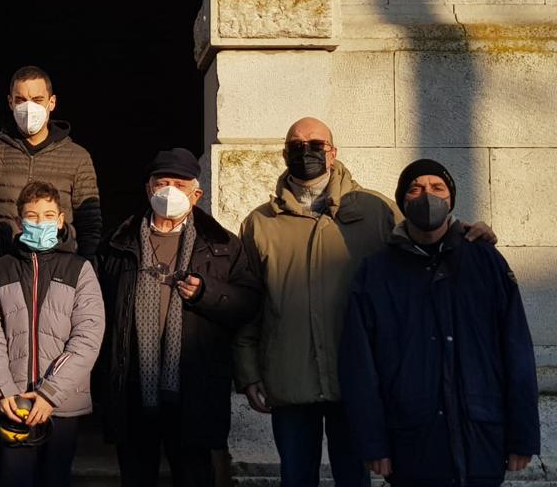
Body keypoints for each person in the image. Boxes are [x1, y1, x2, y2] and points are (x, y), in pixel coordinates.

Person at [233, 117, 497, 487]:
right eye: (296, 144)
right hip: (288, 375)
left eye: (315, 144)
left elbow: (425, 236)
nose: (305, 151)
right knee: (295, 477)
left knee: (355, 478)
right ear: (284, 152)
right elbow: (249, 302)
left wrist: (468, 231)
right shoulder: (259, 222)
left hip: (358, 378)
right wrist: (249, 372)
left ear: (333, 151)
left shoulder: (376, 209)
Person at [339, 158, 540, 487]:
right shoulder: (376, 272)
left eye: (437, 188)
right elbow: (360, 364)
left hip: (481, 436)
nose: (426, 196)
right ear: (403, 200)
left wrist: (524, 434)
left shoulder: (485, 261)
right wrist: (373, 443)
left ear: (451, 198)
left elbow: (516, 349)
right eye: (415, 189)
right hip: (412, 441)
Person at [96, 148, 263, 487]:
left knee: (193, 475)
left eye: (179, 184)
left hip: (194, 390)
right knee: (136, 475)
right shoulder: (117, 244)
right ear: (148, 189)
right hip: (133, 389)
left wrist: (207, 293)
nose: (169, 191)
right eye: (162, 183)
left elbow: (248, 304)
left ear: (196, 194)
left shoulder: (222, 245)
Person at [0, 180, 105, 487]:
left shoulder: (79, 269)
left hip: (61, 404)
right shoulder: (0, 270)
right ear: (19, 222)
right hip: (13, 402)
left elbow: (88, 336)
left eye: (48, 215)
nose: (40, 222)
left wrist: (49, 393)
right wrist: (2, 390)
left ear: (61, 220)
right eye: (32, 216)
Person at [0, 65, 102, 259]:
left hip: (58, 267)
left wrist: (81, 268)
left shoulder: (78, 157)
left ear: (51, 102)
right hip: (2, 266)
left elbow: (89, 224)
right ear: (10, 102)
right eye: (21, 100)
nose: (29, 108)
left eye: (37, 100)